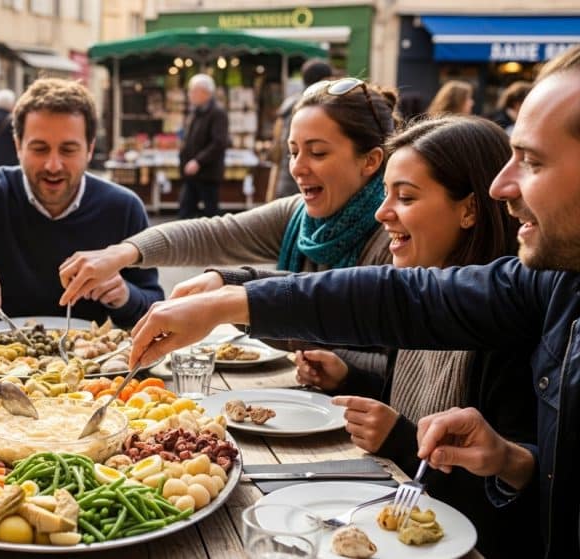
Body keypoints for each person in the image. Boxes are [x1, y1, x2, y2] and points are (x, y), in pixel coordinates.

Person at [125, 45, 580, 559]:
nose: (504, 184)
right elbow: (393, 298)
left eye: (533, 161)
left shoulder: (528, 298)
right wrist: (233, 298)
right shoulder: (551, 283)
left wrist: (413, 440)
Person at [289, 116, 536, 558]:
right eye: (386, 194)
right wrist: (349, 377)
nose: (382, 213)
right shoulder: (424, 296)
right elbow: (408, 399)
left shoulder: (507, 327)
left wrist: (400, 439)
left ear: (469, 209)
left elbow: (511, 505)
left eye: (404, 197)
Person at [60, 77, 400, 308]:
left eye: (318, 153)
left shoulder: (397, 236)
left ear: (370, 161)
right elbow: (213, 233)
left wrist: (230, 293)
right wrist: (122, 253)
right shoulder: (298, 216)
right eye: (293, 151)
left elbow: (395, 353)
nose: (297, 167)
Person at [0, 78, 163, 330]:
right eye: (39, 149)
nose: (53, 165)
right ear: (18, 146)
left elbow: (154, 307)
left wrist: (125, 296)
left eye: (68, 150)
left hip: (92, 369)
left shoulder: (123, 207)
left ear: (90, 149)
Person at [270, 59, 333, 199]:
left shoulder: (288, 105)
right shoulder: (318, 108)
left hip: (284, 180)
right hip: (306, 185)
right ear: (325, 79)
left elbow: (276, 149)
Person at [178, 73, 229, 219]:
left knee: (210, 214)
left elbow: (219, 143)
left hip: (208, 174)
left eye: (193, 91)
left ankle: (214, 242)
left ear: (205, 93)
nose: (190, 95)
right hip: (192, 174)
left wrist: (198, 161)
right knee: (185, 212)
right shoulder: (196, 111)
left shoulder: (217, 113)